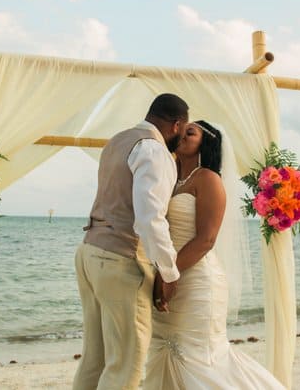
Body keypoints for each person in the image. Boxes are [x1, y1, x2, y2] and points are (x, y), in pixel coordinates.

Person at [144, 120, 285, 390]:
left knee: (198, 358)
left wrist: (167, 275)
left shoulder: (208, 179)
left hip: (197, 280)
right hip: (169, 275)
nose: (182, 135)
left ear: (205, 142)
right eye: (181, 130)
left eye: (191, 132)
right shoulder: (170, 178)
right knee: (164, 350)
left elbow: (206, 240)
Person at [73, 93, 188, 390]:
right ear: (176, 125)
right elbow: (150, 218)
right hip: (120, 259)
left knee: (94, 360)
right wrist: (169, 271)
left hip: (89, 251)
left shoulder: (117, 141)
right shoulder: (154, 150)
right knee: (126, 366)